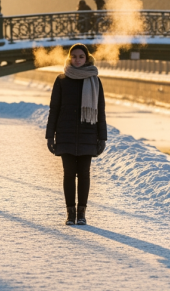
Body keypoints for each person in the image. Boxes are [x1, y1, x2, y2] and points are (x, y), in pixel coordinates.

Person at [45, 43, 107, 225]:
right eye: (74, 57)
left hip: (88, 133)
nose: (77, 60)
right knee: (69, 174)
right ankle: (70, 214)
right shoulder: (62, 79)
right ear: (69, 58)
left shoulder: (95, 80)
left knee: (85, 174)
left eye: (81, 57)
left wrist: (102, 137)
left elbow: (101, 111)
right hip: (66, 133)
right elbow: (54, 109)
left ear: (87, 58)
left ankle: (82, 214)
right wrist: (50, 135)